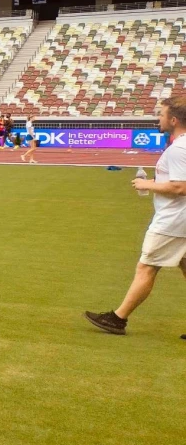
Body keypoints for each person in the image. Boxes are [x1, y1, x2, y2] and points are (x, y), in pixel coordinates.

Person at [84, 95, 186, 337]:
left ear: (173, 119)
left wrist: (146, 185)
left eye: (161, 115)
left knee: (146, 267)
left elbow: (180, 187)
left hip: (173, 221)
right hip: (179, 219)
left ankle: (118, 318)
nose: (158, 119)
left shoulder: (179, 149)